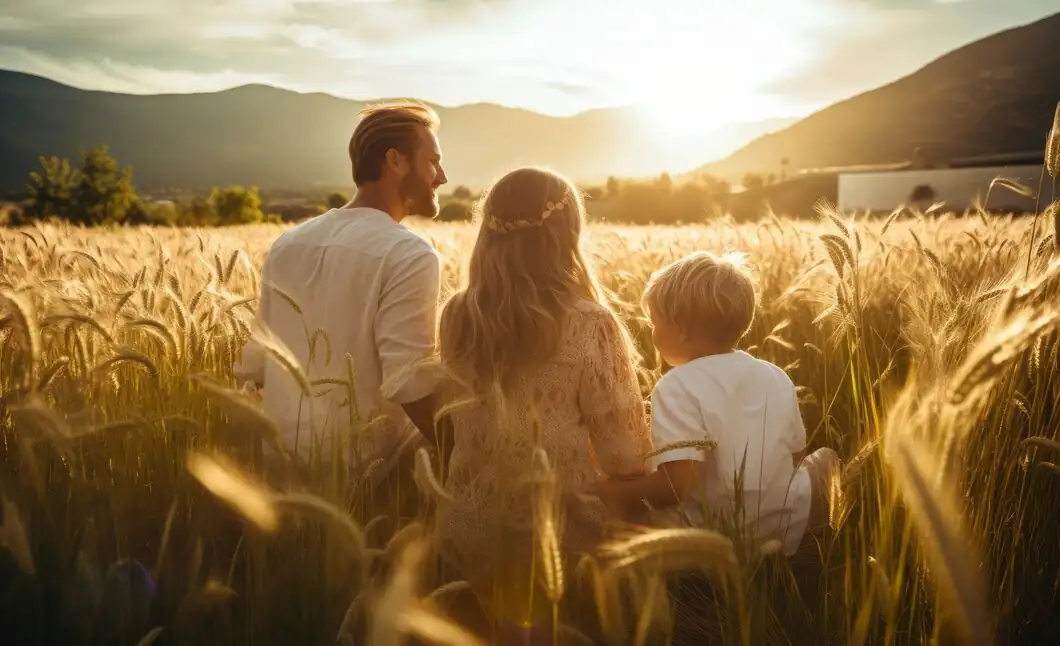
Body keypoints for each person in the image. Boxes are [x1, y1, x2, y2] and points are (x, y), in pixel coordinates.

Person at [432, 167, 653, 644]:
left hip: (468, 529)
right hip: (559, 534)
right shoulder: (591, 322)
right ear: (567, 234)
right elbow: (625, 456)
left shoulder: (456, 314)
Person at [234, 101, 448, 518]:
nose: (442, 176)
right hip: (371, 481)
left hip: (281, 472)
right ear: (396, 161)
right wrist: (463, 451)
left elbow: (255, 364)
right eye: (433, 161)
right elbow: (408, 382)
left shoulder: (289, 243)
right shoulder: (409, 254)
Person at [588, 251, 840, 557]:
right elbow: (795, 454)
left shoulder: (676, 386)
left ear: (679, 329)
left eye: (655, 323)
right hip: (784, 533)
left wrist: (612, 492)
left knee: (624, 509)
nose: (652, 333)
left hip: (705, 544)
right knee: (825, 461)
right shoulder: (776, 376)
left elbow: (674, 487)